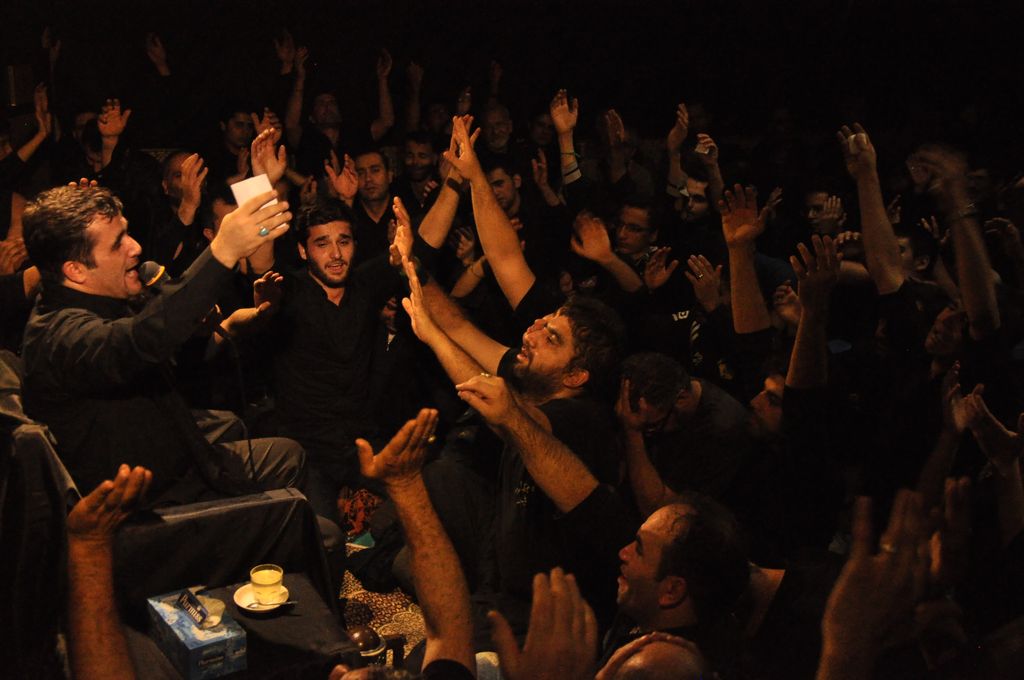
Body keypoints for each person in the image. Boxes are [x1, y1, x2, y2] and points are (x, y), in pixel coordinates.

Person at [20, 184, 302, 506]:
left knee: (288, 454)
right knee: (304, 503)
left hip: (184, 463)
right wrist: (223, 250)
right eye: (117, 243)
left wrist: (222, 328)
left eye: (127, 233)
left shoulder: (106, 300)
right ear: (76, 270)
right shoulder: (59, 336)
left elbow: (168, 362)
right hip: (159, 502)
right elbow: (139, 342)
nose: (136, 247)